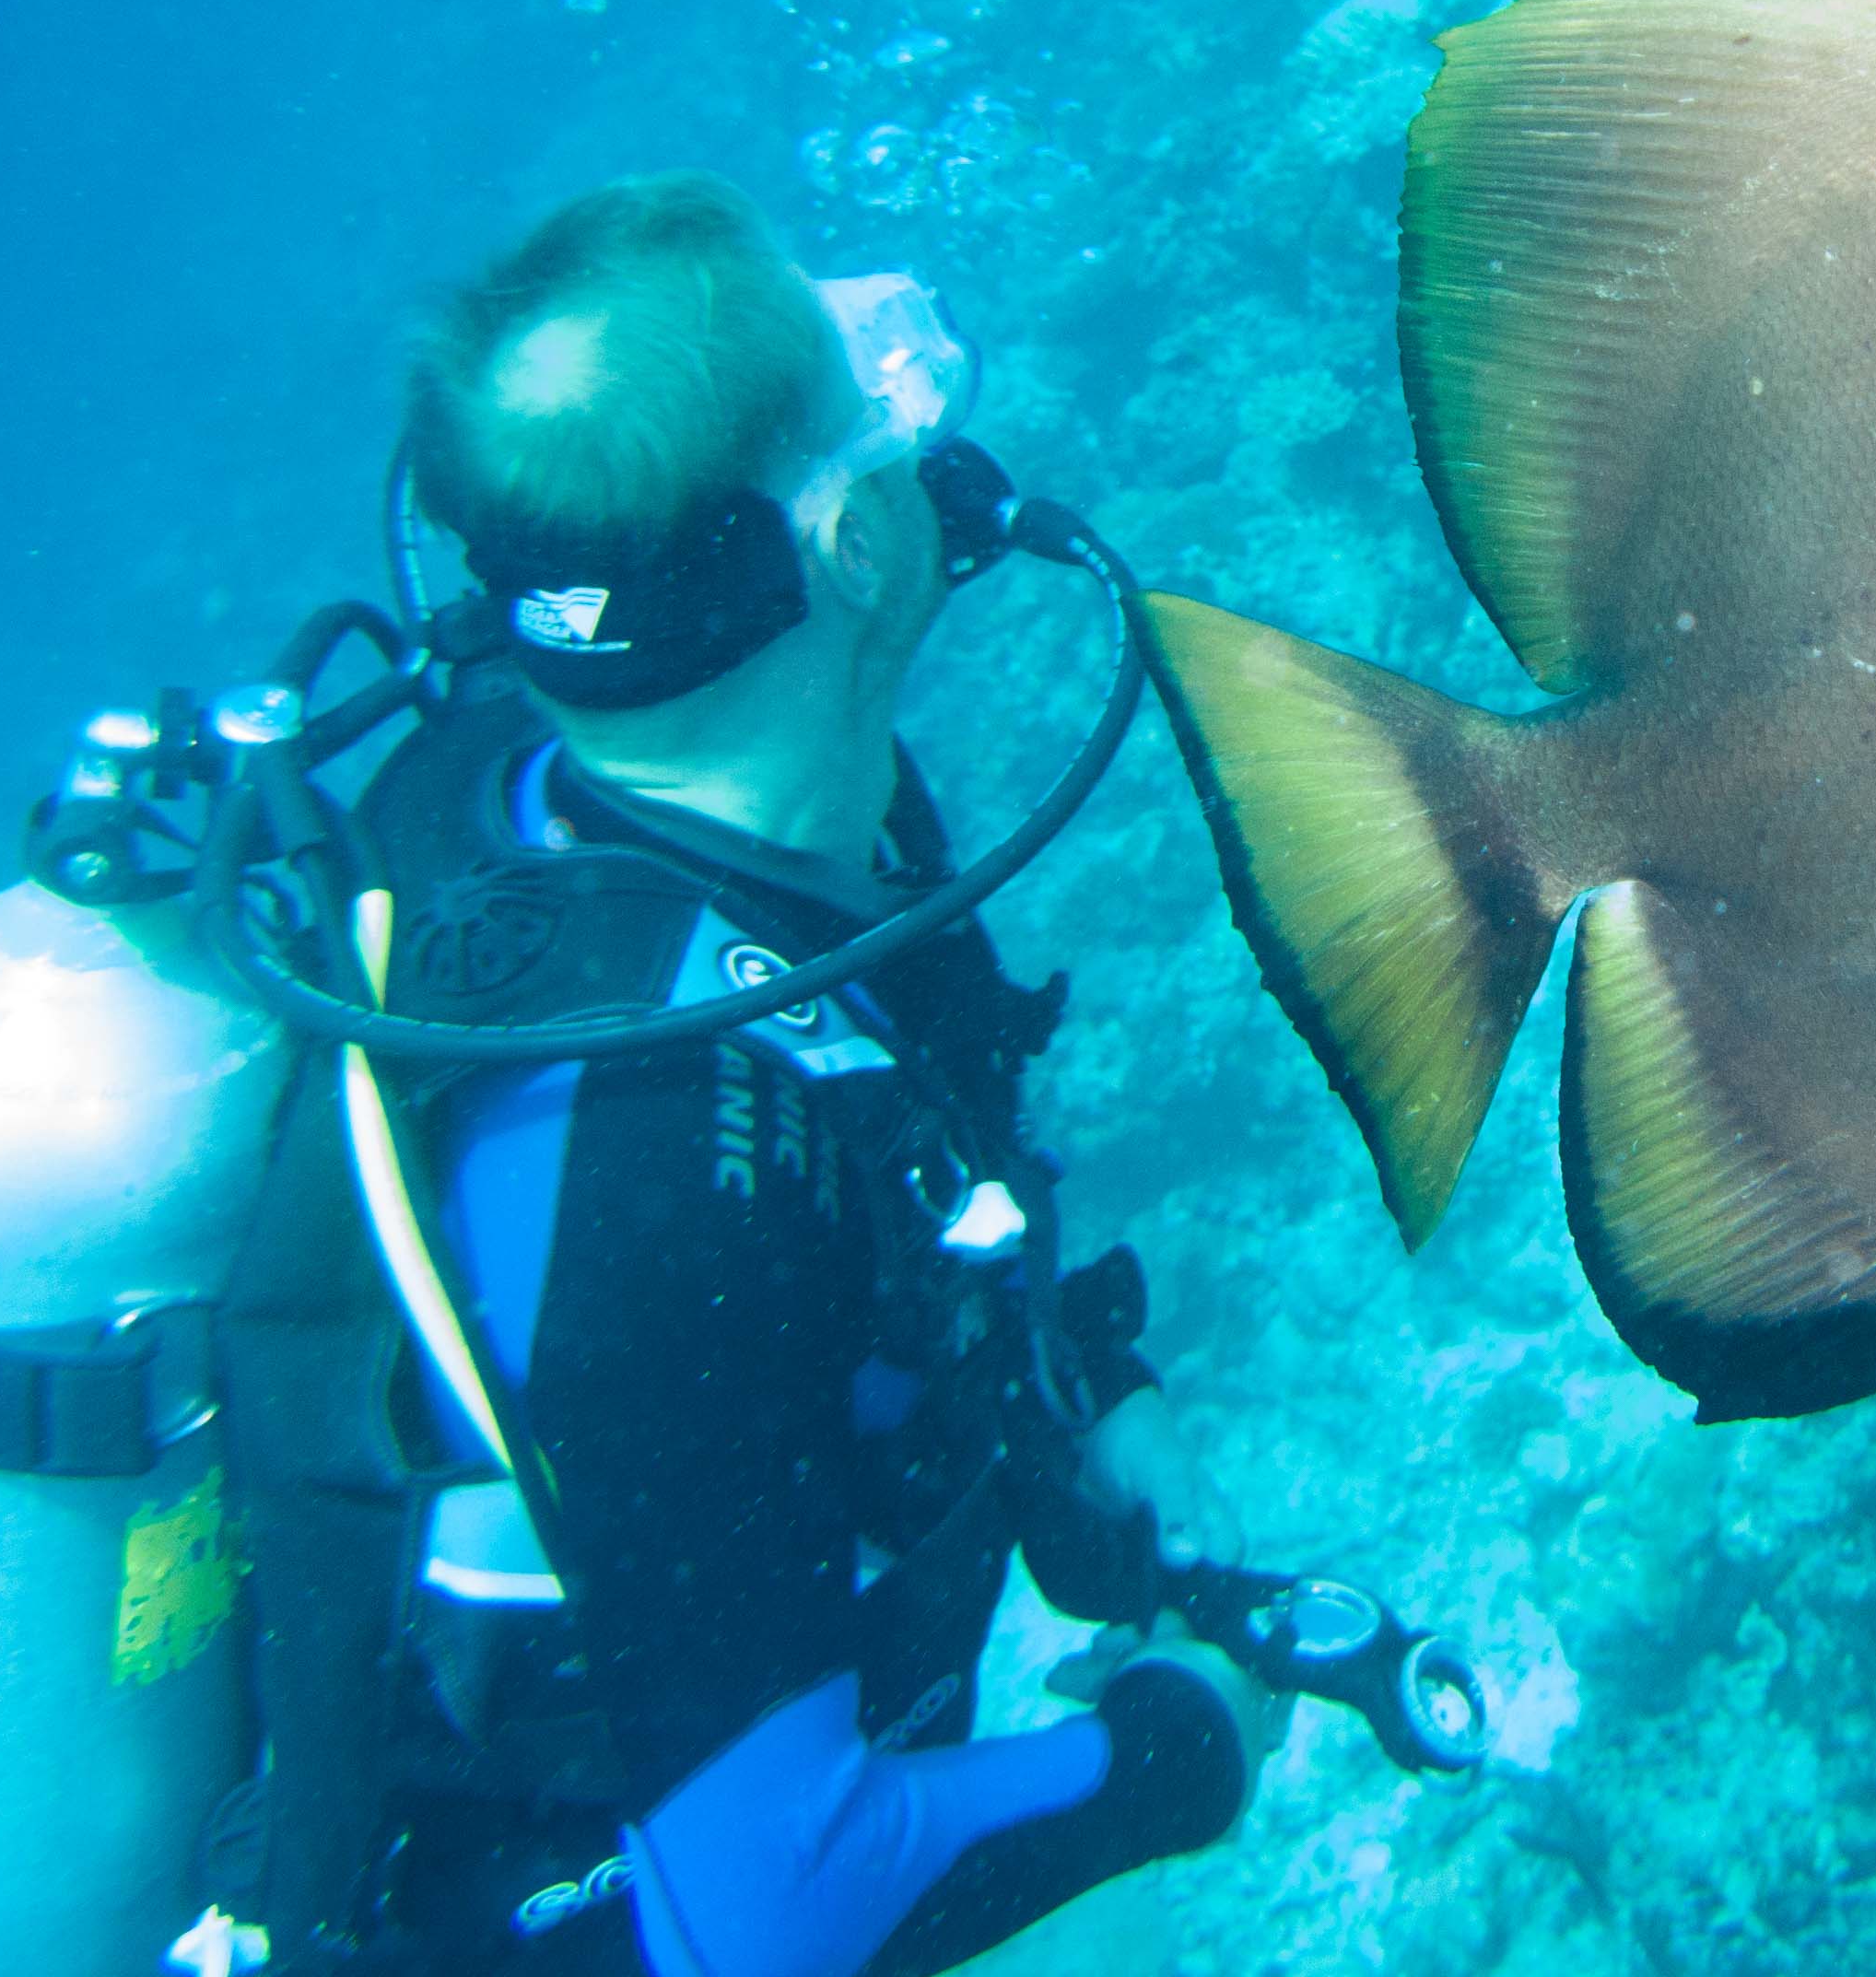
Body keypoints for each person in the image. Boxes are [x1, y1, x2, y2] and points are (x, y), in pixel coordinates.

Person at [304, 170, 1264, 1974]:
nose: (930, 464)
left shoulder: (690, 815)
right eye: (886, 420)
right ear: (856, 545)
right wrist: (1174, 1757)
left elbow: (912, 1177)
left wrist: (1083, 1400)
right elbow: (766, 1914)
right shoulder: (652, 1142)